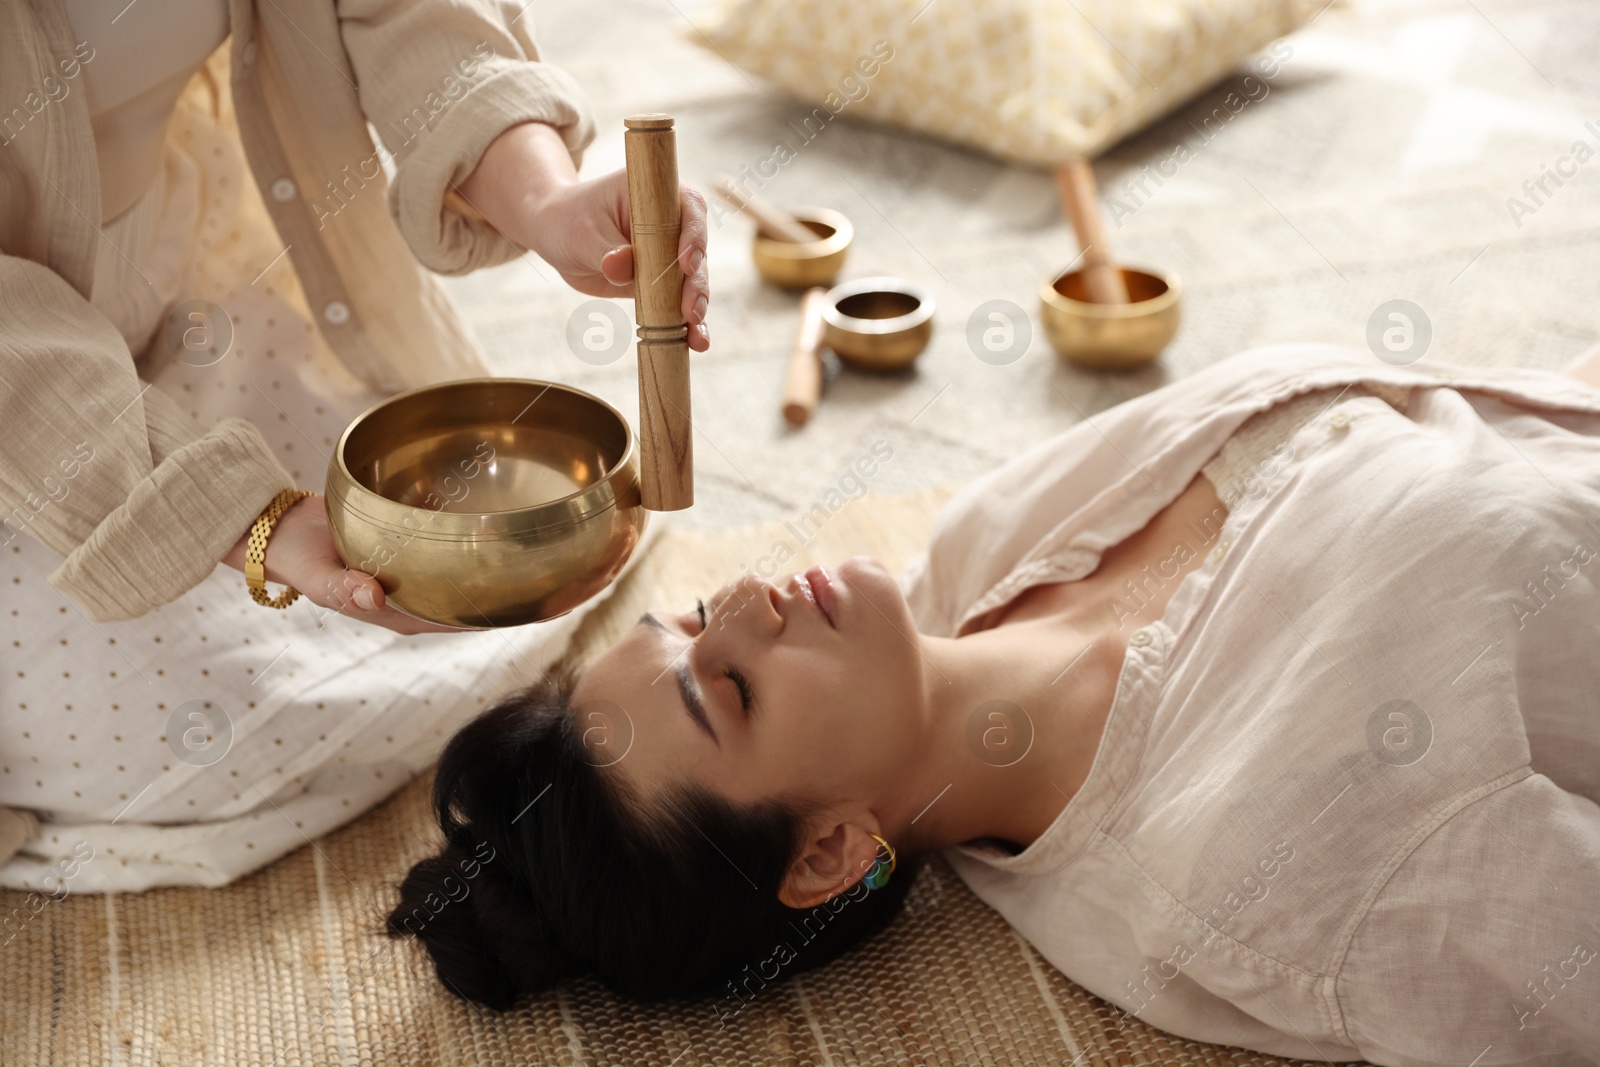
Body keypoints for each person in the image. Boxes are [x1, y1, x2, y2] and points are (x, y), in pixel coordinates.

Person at [395, 345, 1600, 1067]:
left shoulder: (983, 544)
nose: (755, 599)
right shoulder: (1279, 875)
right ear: (827, 852)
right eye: (733, 689)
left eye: (701, 614)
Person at [0, 0, 706, 889]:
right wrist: (249, 517)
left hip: (166, 278)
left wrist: (545, 198)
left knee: (417, 532)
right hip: (20, 399)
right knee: (157, 715)